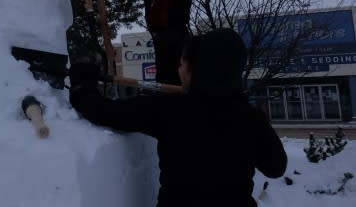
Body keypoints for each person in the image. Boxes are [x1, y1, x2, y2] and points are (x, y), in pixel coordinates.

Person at [69, 28, 288, 207]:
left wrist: (83, 85)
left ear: (197, 69)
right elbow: (276, 167)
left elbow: (105, 112)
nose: (179, 70)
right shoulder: (250, 119)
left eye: (182, 65)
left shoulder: (170, 110)